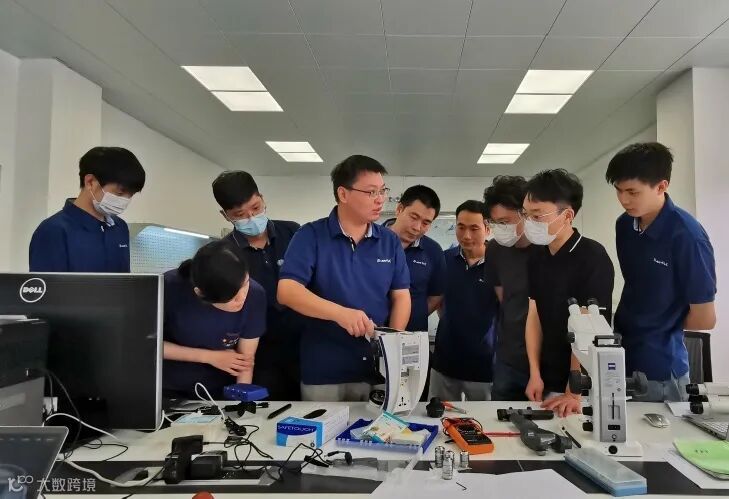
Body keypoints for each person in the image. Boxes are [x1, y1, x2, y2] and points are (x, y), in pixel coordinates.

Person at [277, 155, 411, 402]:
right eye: (371, 192)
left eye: (383, 191)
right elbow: (287, 291)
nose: (380, 199)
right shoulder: (311, 235)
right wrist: (340, 314)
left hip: (375, 369)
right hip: (325, 368)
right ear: (343, 194)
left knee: (376, 426)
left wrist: (393, 345)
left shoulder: (389, 241)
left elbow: (401, 295)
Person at [606, 142, 716, 402]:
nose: (624, 200)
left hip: (661, 370)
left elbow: (705, 319)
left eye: (632, 192)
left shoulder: (687, 236)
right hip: (622, 357)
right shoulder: (625, 225)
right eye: (619, 191)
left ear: (661, 186)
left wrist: (659, 326)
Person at [523, 169, 614, 417]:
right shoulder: (537, 256)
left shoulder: (592, 257)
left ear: (567, 215)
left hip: (581, 386)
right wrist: (534, 373)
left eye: (537, 215)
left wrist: (573, 392)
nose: (529, 222)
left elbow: (588, 329)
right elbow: (534, 314)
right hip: (547, 379)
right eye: (526, 215)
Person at [213, 170, 302, 401]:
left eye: (255, 207)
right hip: (258, 351)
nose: (251, 218)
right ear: (226, 215)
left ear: (262, 198)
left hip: (303, 344)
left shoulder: (294, 233)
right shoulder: (224, 253)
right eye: (240, 215)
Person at [162, 240, 266, 399]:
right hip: (170, 386)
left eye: (245, 285)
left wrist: (240, 401)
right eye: (231, 297)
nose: (242, 299)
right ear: (200, 293)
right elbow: (147, 344)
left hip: (218, 389)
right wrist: (210, 357)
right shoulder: (169, 287)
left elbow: (245, 362)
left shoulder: (256, 294)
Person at [29, 147, 145, 272]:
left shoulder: (119, 227)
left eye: (130, 195)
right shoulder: (54, 230)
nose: (125, 200)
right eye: (120, 193)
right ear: (90, 182)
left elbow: (124, 280)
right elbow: (48, 284)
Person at [429, 200, 498, 401]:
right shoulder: (444, 260)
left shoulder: (499, 263)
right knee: (439, 415)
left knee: (485, 418)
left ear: (487, 229)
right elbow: (436, 301)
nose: (466, 235)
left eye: (474, 229)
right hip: (445, 363)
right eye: (461, 227)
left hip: (485, 367)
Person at [483, 176, 533, 401]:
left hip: (546, 361)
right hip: (508, 358)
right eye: (495, 223)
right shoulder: (495, 249)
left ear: (526, 214)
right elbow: (504, 298)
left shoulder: (547, 248)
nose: (500, 229)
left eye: (506, 221)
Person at [382, 185, 446, 332]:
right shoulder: (371, 240)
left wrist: (416, 315)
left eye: (426, 223)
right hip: (369, 331)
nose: (417, 227)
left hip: (412, 336)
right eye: (414, 217)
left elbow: (436, 296)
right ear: (399, 209)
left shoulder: (433, 251)